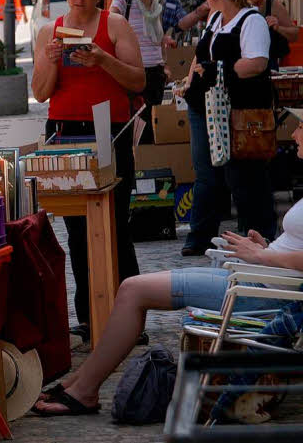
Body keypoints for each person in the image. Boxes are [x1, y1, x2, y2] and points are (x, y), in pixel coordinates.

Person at [34, 121, 303, 417]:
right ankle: (79, 383)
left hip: (264, 290)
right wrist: (266, 247)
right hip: (257, 278)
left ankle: (84, 391)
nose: (293, 133)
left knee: (133, 290)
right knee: (132, 289)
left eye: (300, 125)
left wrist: (263, 257)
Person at [31, 0, 146, 343]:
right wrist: (50, 63)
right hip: (63, 131)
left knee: (115, 223)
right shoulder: (52, 30)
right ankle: (90, 316)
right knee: (77, 231)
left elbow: (138, 81)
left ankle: (129, 315)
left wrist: (102, 60)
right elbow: (41, 93)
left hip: (108, 131)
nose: (78, 1)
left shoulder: (114, 25)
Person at [179, 0, 276, 256]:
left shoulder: (251, 21)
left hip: (239, 111)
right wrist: (187, 82)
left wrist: (219, 68)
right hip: (204, 106)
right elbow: (200, 56)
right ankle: (200, 236)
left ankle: (256, 237)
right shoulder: (215, 17)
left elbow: (257, 63)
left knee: (244, 174)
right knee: (206, 173)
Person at [109, 0, 171, 143]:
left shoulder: (157, 0)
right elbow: (109, 27)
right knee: (132, 125)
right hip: (133, 70)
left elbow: (159, 36)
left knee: (152, 128)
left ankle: (147, 164)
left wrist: (164, 63)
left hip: (156, 72)